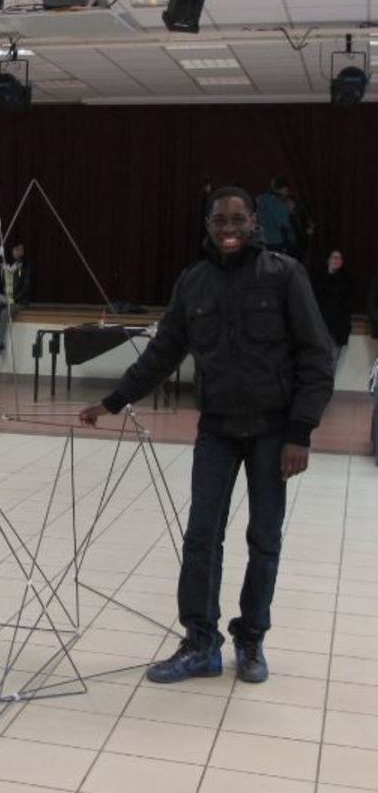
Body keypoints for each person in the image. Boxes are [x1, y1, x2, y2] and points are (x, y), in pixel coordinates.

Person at [79, 186, 333, 685]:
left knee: (264, 539)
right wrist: (114, 401)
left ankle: (251, 638)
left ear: (254, 222)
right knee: (201, 537)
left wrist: (299, 432)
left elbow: (316, 356)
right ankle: (200, 643)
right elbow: (163, 353)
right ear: (208, 225)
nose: (229, 228)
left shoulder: (284, 275)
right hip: (217, 429)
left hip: (272, 431)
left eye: (238, 219)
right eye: (220, 220)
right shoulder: (193, 282)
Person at [0, 242, 32, 357]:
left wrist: (14, 299)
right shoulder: (5, 265)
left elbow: (27, 286)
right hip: (5, 298)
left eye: (21, 250)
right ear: (11, 250)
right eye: (16, 249)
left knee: (4, 313)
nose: (19, 252)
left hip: (19, 300)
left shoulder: (25, 266)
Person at [313, 250, 353, 370]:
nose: (337, 261)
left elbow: (347, 304)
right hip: (321, 324)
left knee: (333, 360)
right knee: (319, 359)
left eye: (339, 258)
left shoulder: (346, 279)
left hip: (338, 327)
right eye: (334, 258)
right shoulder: (319, 277)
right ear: (328, 260)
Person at [255, 176, 297, 256]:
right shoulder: (278, 203)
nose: (287, 192)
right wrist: (290, 211)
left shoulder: (262, 201)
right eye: (287, 190)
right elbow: (283, 224)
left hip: (265, 239)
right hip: (279, 240)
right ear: (283, 188)